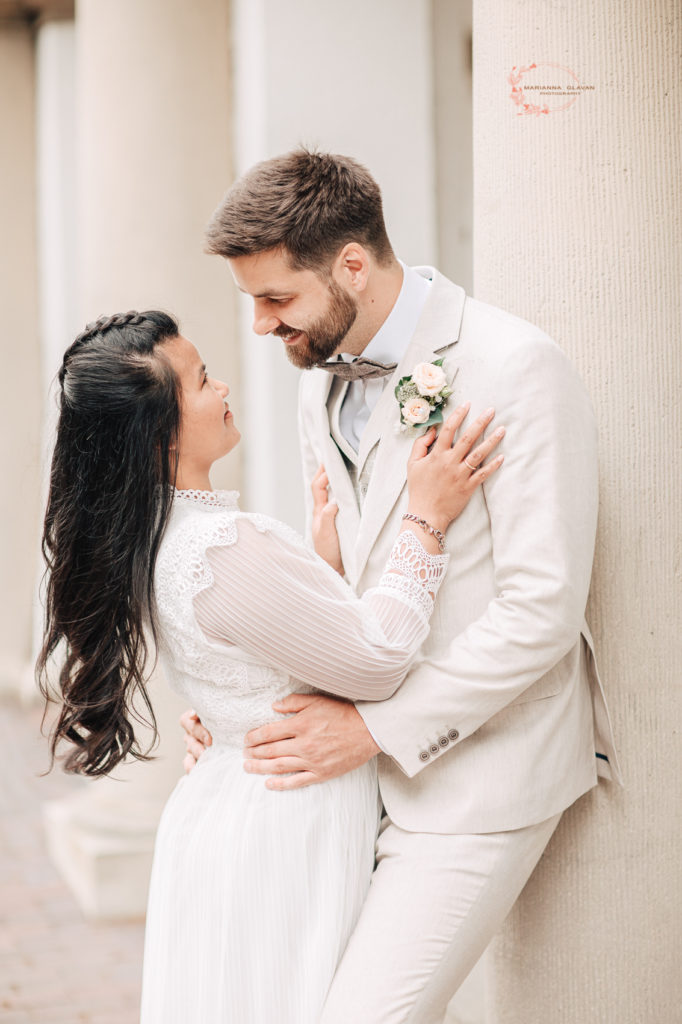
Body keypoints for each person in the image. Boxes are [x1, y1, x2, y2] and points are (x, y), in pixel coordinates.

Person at [183, 149, 622, 1023]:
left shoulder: (514, 367)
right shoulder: (318, 383)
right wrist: (245, 712)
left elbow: (543, 611)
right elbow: (344, 587)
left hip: (480, 777)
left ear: (352, 263)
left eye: (276, 298)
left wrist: (373, 730)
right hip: (351, 796)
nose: (264, 326)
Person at [37, 310, 504, 1023]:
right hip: (285, 820)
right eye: (199, 381)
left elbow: (251, 654)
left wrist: (320, 567)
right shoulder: (219, 544)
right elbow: (377, 663)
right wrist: (426, 517)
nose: (222, 384)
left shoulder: (152, 540)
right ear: (161, 433)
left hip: (236, 804)